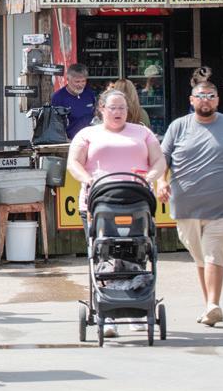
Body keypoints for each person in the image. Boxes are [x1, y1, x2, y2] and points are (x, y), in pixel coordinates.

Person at [66, 89, 165, 338]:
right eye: (113, 108)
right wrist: (87, 179)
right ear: (101, 109)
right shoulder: (87, 134)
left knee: (137, 251)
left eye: (122, 107)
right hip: (99, 201)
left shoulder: (142, 132)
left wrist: (150, 177)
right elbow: (73, 163)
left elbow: (159, 161)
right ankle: (106, 312)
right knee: (103, 252)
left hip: (137, 199)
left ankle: (136, 307)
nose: (118, 112)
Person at [156, 81, 223, 327]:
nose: (205, 100)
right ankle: (208, 304)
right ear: (191, 100)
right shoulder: (178, 126)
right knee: (200, 257)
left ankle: (213, 305)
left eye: (210, 95)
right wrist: (161, 181)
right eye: (200, 96)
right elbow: (163, 158)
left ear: (218, 100)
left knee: (213, 254)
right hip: (186, 208)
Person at [51, 64, 97, 139]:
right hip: (70, 140)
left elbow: (95, 114)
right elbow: (55, 124)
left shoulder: (89, 93)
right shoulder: (58, 97)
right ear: (68, 79)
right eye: (77, 81)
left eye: (83, 81)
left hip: (91, 138)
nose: (81, 85)